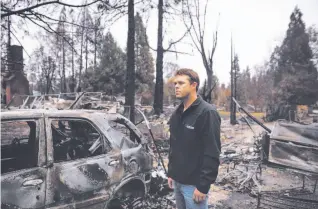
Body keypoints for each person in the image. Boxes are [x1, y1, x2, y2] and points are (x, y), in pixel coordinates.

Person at [167, 68, 221, 209]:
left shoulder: (207, 113)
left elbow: (212, 152)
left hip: (194, 186)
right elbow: (174, 146)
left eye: (181, 83)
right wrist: (171, 173)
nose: (176, 86)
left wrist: (203, 186)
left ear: (193, 85)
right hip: (178, 182)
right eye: (175, 83)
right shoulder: (177, 114)